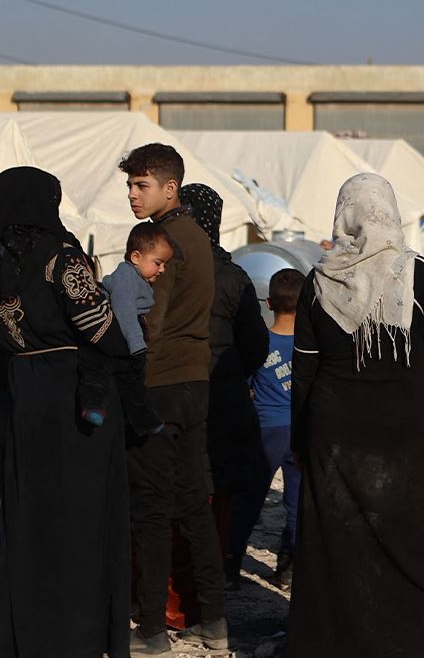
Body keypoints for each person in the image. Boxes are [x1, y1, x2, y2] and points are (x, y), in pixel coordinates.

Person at [288, 173, 424, 657]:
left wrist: (300, 440)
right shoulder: (417, 275)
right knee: (412, 541)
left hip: (334, 435)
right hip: (406, 434)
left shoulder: (319, 280)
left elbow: (304, 373)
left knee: (340, 544)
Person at [0, 167, 131, 658]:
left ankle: (28, 633)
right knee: (83, 516)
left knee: (33, 516)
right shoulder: (60, 256)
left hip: (26, 394)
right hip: (75, 394)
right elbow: (100, 327)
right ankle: (78, 634)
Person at [118, 147, 228, 655]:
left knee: (152, 509)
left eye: (141, 185)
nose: (132, 194)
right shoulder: (199, 237)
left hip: (159, 383)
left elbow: (150, 322)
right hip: (193, 381)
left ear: (170, 187)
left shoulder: (163, 242)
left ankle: (151, 631)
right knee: (192, 505)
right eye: (130, 185)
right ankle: (215, 621)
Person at [179, 182, 270, 597]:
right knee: (217, 497)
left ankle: (173, 597)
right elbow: (256, 344)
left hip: (175, 397)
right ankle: (210, 588)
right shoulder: (234, 277)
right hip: (222, 400)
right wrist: (232, 375)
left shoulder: (164, 269)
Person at [229, 268, 304, 591]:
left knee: (248, 500)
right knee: (297, 502)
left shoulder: (261, 341)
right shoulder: (309, 345)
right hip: (300, 430)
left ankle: (229, 565)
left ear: (269, 303)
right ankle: (289, 567)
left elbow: (246, 385)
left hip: (267, 430)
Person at [89, 222, 172, 434]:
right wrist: (136, 343)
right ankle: (93, 407)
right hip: (121, 334)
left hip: (127, 333)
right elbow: (124, 309)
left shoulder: (136, 278)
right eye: (158, 263)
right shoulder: (126, 277)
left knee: (130, 381)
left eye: (164, 264)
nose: (162, 269)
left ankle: (143, 421)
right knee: (106, 373)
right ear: (136, 257)